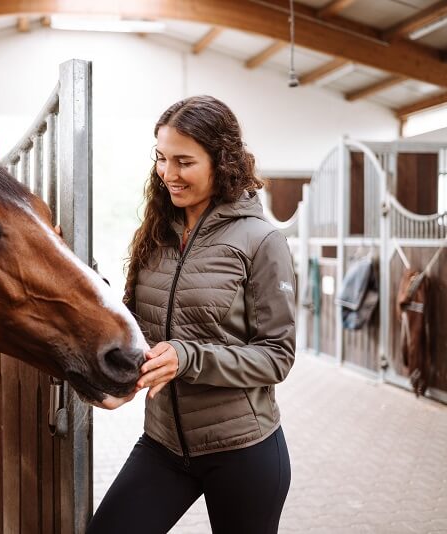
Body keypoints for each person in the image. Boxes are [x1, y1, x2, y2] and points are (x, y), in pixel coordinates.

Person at [87, 95, 295, 534]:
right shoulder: (157, 233)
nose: (168, 174)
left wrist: (188, 357)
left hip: (243, 449)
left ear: (222, 161)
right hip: (164, 444)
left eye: (184, 162)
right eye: (161, 158)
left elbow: (277, 356)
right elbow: (138, 324)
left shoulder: (260, 240)